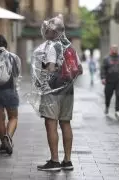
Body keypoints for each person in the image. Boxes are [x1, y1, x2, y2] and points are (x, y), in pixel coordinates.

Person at [32, 14, 83, 171]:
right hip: (68, 91)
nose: (45, 31)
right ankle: (67, 161)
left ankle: (54, 161)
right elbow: (79, 70)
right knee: (65, 123)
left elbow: (51, 69)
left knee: (51, 123)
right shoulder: (70, 47)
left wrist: (42, 73)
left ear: (53, 32)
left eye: (47, 29)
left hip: (53, 91)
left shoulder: (52, 46)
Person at [101, 45, 119, 117]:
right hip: (109, 80)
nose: (114, 50)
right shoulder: (106, 59)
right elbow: (103, 69)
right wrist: (103, 78)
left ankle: (117, 110)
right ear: (110, 49)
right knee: (108, 95)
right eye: (113, 48)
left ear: (117, 50)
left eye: (116, 48)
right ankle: (107, 107)